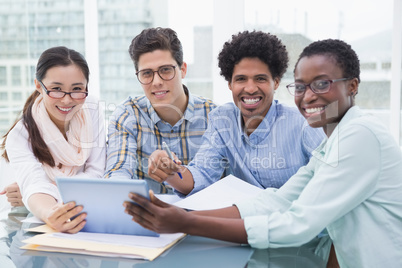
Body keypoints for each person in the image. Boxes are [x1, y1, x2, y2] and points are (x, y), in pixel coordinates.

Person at [123, 39, 402, 267]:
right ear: (229, 84)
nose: (308, 96)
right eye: (302, 87)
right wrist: (180, 212)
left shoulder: (358, 136)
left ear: (352, 86)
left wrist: (188, 222)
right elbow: (276, 201)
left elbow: (299, 224)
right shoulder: (336, 141)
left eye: (322, 84)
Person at [148, 31, 325, 196]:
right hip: (244, 226)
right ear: (230, 84)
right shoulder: (222, 120)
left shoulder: (303, 124)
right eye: (241, 79)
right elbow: (201, 174)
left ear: (276, 82)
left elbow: (327, 182)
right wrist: (170, 171)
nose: (249, 88)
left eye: (260, 79)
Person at [0, 46, 106, 233]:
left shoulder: (92, 107)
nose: (67, 100)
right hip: (30, 220)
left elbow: (97, 173)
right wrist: (49, 211)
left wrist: (37, 191)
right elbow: (35, 184)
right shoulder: (20, 136)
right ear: (39, 86)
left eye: (77, 89)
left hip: (83, 212)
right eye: (56, 89)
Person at [104, 27, 217, 194]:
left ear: (183, 69)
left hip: (201, 216)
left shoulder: (213, 116)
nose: (156, 82)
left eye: (165, 70)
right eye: (147, 73)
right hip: (147, 216)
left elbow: (212, 177)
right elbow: (118, 172)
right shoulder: (127, 116)